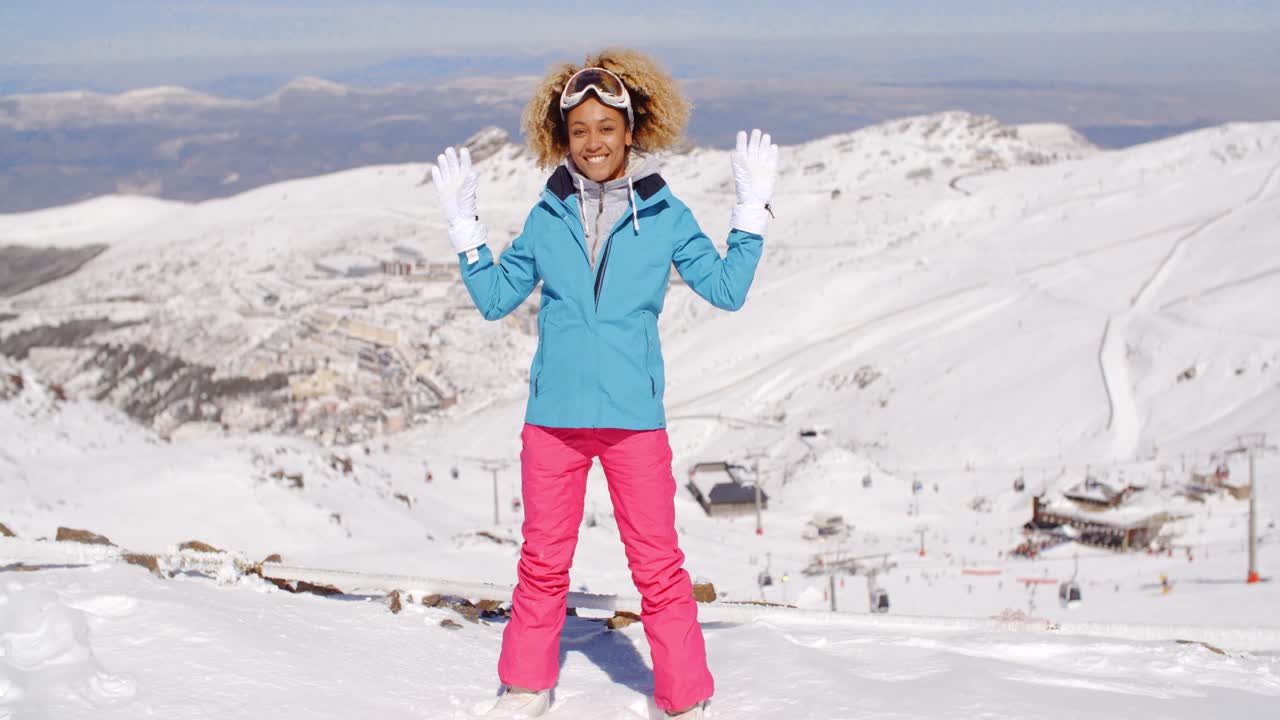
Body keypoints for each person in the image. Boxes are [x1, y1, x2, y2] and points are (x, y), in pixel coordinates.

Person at [432, 48, 778, 719]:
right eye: (579, 130)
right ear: (563, 137)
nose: (593, 142)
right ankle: (528, 685)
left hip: (632, 421)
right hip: (552, 421)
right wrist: (464, 228)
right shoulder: (547, 213)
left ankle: (682, 697)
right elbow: (497, 297)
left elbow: (727, 289)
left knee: (658, 568)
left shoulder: (665, 215)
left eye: (605, 127)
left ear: (631, 130)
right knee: (541, 564)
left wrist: (752, 208)